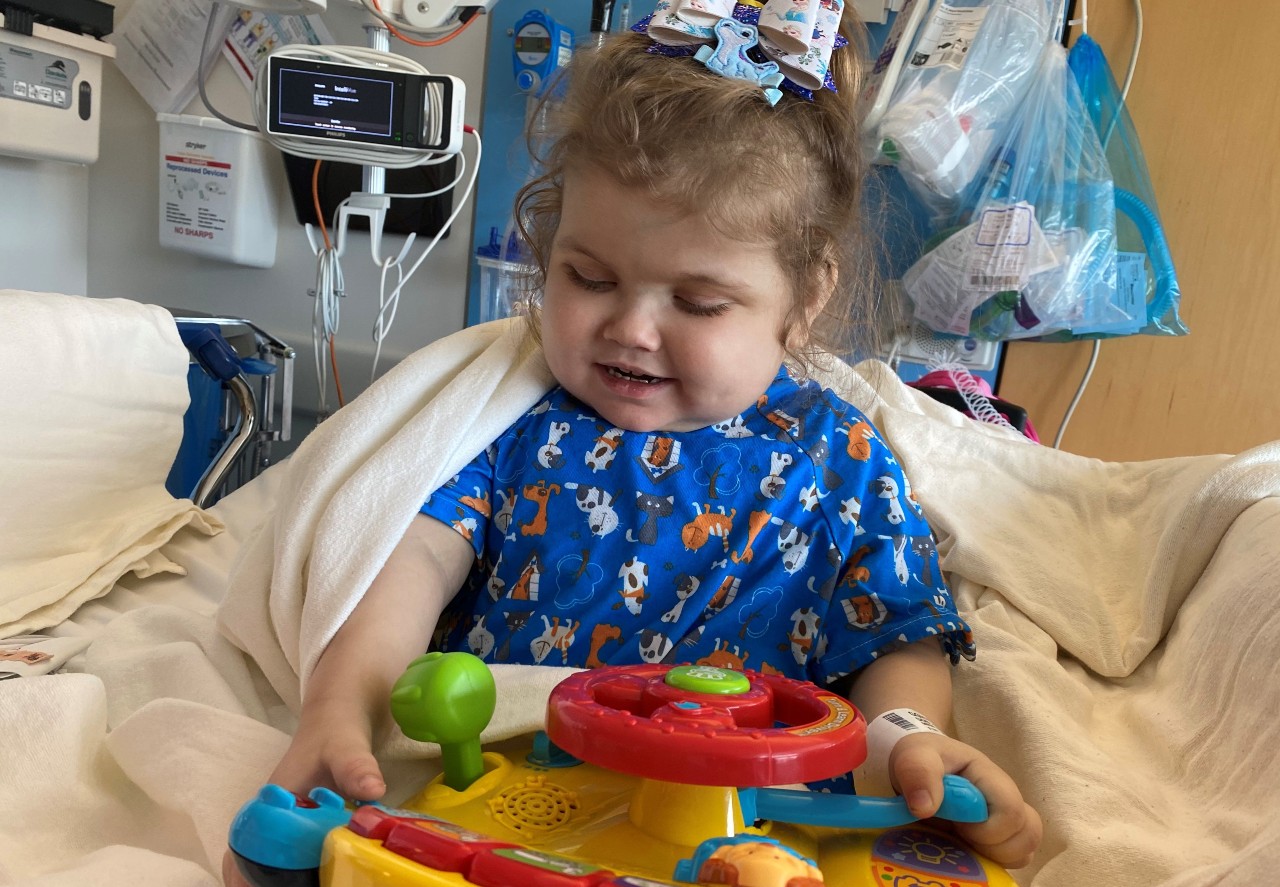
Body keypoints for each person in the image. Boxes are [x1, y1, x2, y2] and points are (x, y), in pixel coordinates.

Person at [225, 9, 1041, 883]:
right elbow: (410, 556)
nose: (631, 329)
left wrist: (907, 739)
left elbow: (893, 631)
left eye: (697, 303)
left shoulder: (835, 458)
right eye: (589, 277)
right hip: (506, 789)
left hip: (736, 822)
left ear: (804, 298)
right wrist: (337, 709)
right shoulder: (516, 420)